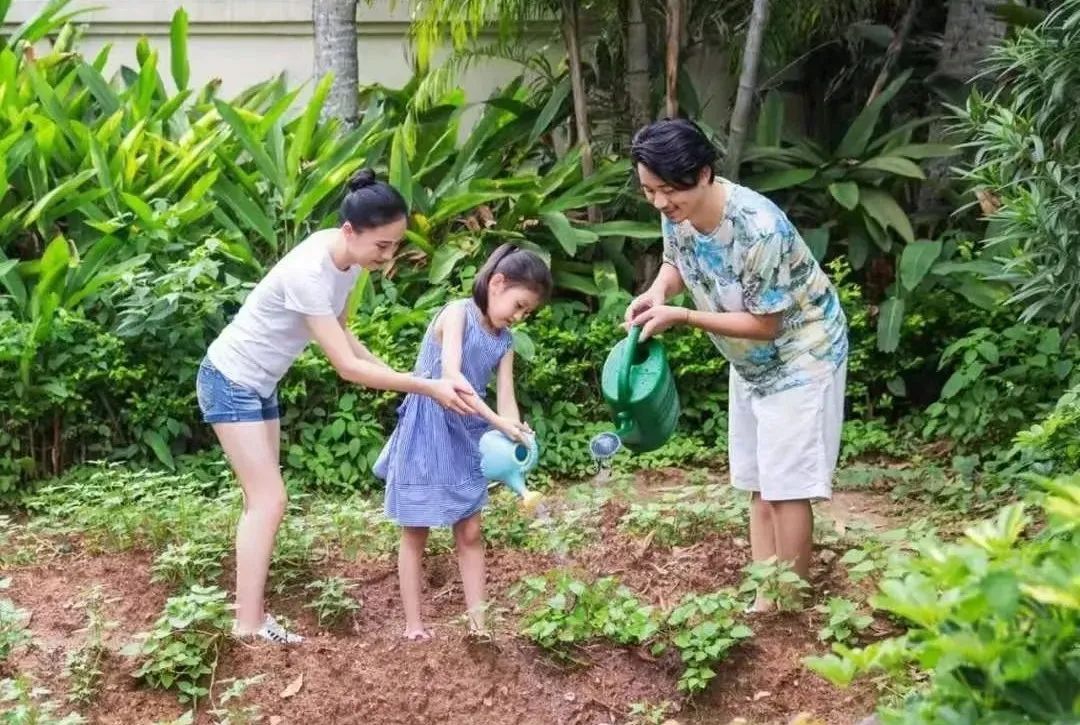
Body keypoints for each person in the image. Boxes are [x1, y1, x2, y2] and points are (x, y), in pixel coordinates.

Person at [197, 169, 475, 644]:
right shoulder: (309, 273)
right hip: (229, 380)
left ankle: (249, 617)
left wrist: (413, 384)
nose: (387, 257)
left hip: (261, 384)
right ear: (351, 231)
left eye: (394, 245)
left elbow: (346, 335)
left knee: (260, 503)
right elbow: (345, 365)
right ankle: (246, 625)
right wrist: (424, 387)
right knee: (270, 500)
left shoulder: (347, 264)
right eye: (381, 246)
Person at [624, 118, 848, 610]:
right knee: (757, 479)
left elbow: (766, 323)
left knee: (787, 484)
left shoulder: (757, 226)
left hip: (801, 352)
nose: (660, 202)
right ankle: (765, 598)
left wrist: (681, 315)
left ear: (703, 173)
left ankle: (791, 603)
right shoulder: (677, 212)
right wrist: (658, 291)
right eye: (649, 191)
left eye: (667, 191)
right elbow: (677, 261)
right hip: (750, 363)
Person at [374, 243, 551, 640]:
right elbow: (453, 377)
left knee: (470, 530)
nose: (519, 317)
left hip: (465, 433)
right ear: (497, 282)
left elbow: (505, 398)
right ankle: (414, 627)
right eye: (519, 305)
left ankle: (479, 625)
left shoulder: (504, 341)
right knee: (415, 527)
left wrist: (518, 430)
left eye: (527, 313)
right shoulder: (457, 314)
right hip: (429, 426)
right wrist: (495, 422)